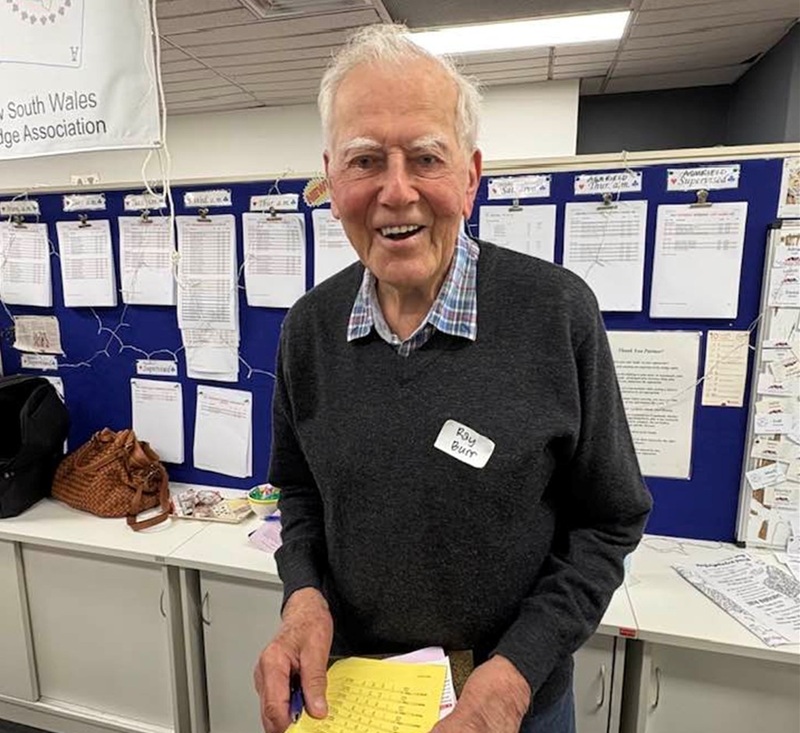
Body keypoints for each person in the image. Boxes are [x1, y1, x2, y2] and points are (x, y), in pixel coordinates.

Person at [254, 23, 652, 733]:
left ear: (470, 177)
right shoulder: (308, 329)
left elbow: (609, 518)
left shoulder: (556, 313)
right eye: (365, 160)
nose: (396, 191)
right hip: (353, 697)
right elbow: (300, 490)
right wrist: (303, 596)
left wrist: (518, 669)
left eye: (426, 158)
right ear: (332, 179)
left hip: (510, 705)